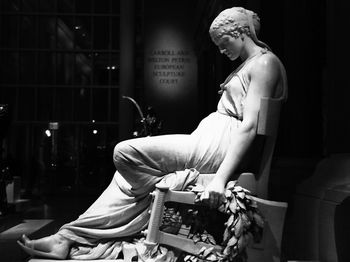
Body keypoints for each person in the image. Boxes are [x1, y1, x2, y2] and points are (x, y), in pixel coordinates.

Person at [17, 6, 287, 260]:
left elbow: (250, 126)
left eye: (223, 42)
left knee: (124, 153)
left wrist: (220, 180)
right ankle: (66, 238)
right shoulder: (251, 64)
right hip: (209, 141)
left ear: (239, 32)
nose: (220, 50)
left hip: (219, 145)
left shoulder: (264, 64)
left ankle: (156, 191)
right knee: (123, 178)